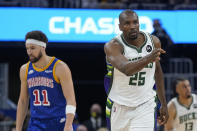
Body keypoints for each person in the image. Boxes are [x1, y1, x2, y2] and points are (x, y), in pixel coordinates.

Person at [104, 9, 168, 131]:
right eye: (127, 23)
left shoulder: (154, 42)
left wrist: (163, 103)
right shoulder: (113, 46)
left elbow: (157, 72)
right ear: (120, 26)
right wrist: (149, 57)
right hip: (118, 105)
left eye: (135, 22)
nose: (132, 26)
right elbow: (126, 69)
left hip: (145, 105)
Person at [16, 30, 76, 131]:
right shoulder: (24, 69)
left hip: (58, 122)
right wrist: (18, 128)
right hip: (36, 123)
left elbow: (71, 100)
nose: (29, 52)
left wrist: (68, 124)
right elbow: (23, 101)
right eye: (27, 48)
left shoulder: (60, 67)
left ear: (43, 47)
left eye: (33, 48)